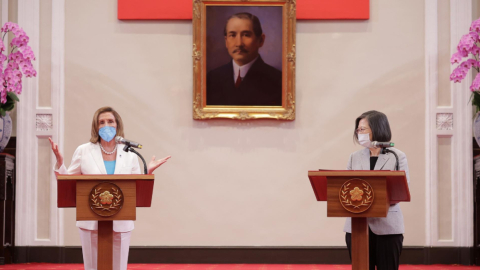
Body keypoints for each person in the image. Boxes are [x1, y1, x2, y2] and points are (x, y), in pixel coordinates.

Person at [49, 106, 171, 270]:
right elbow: (67, 183)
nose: (106, 125)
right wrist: (59, 162)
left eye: (110, 121)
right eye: (101, 122)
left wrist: (147, 171)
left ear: (117, 125)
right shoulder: (84, 151)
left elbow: (136, 186)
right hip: (91, 222)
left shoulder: (130, 154)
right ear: (96, 126)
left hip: (121, 222)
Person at [344, 110, 410, 270]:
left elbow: (401, 192)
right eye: (358, 130)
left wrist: (371, 200)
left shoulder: (396, 156)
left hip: (387, 226)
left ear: (377, 129)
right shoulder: (355, 157)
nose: (359, 133)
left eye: (363, 129)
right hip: (357, 226)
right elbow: (345, 188)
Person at [206, 12, 282, 106]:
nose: (239, 43)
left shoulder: (278, 80)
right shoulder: (212, 78)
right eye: (232, 35)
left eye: (246, 35)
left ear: (261, 40)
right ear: (226, 41)